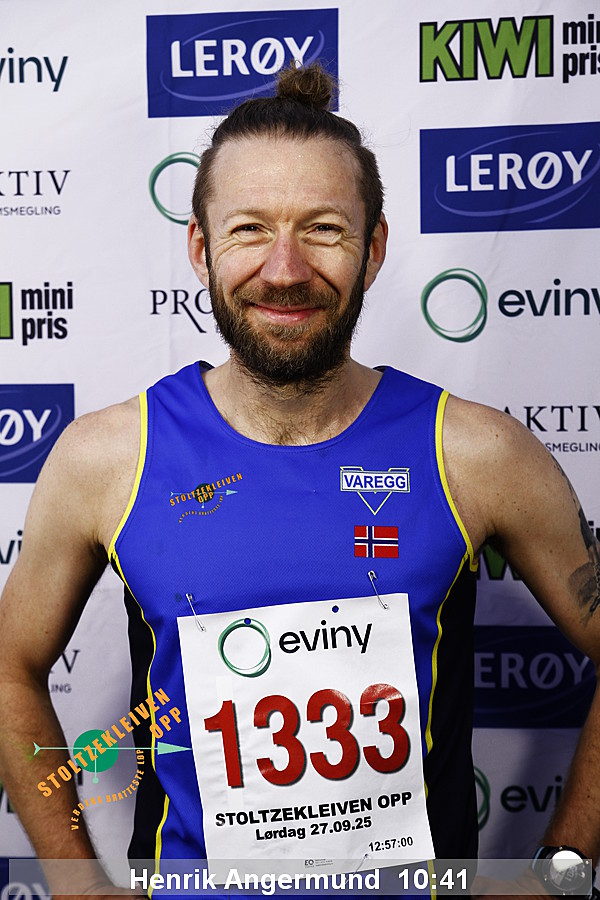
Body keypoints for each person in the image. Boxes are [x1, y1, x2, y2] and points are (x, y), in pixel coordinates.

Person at [0, 62, 599, 898]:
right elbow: (10, 668)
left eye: (323, 229)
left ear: (373, 248)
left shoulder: (475, 452)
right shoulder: (107, 459)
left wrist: (561, 874)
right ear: (200, 248)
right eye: (249, 229)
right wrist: (74, 882)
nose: (284, 269)